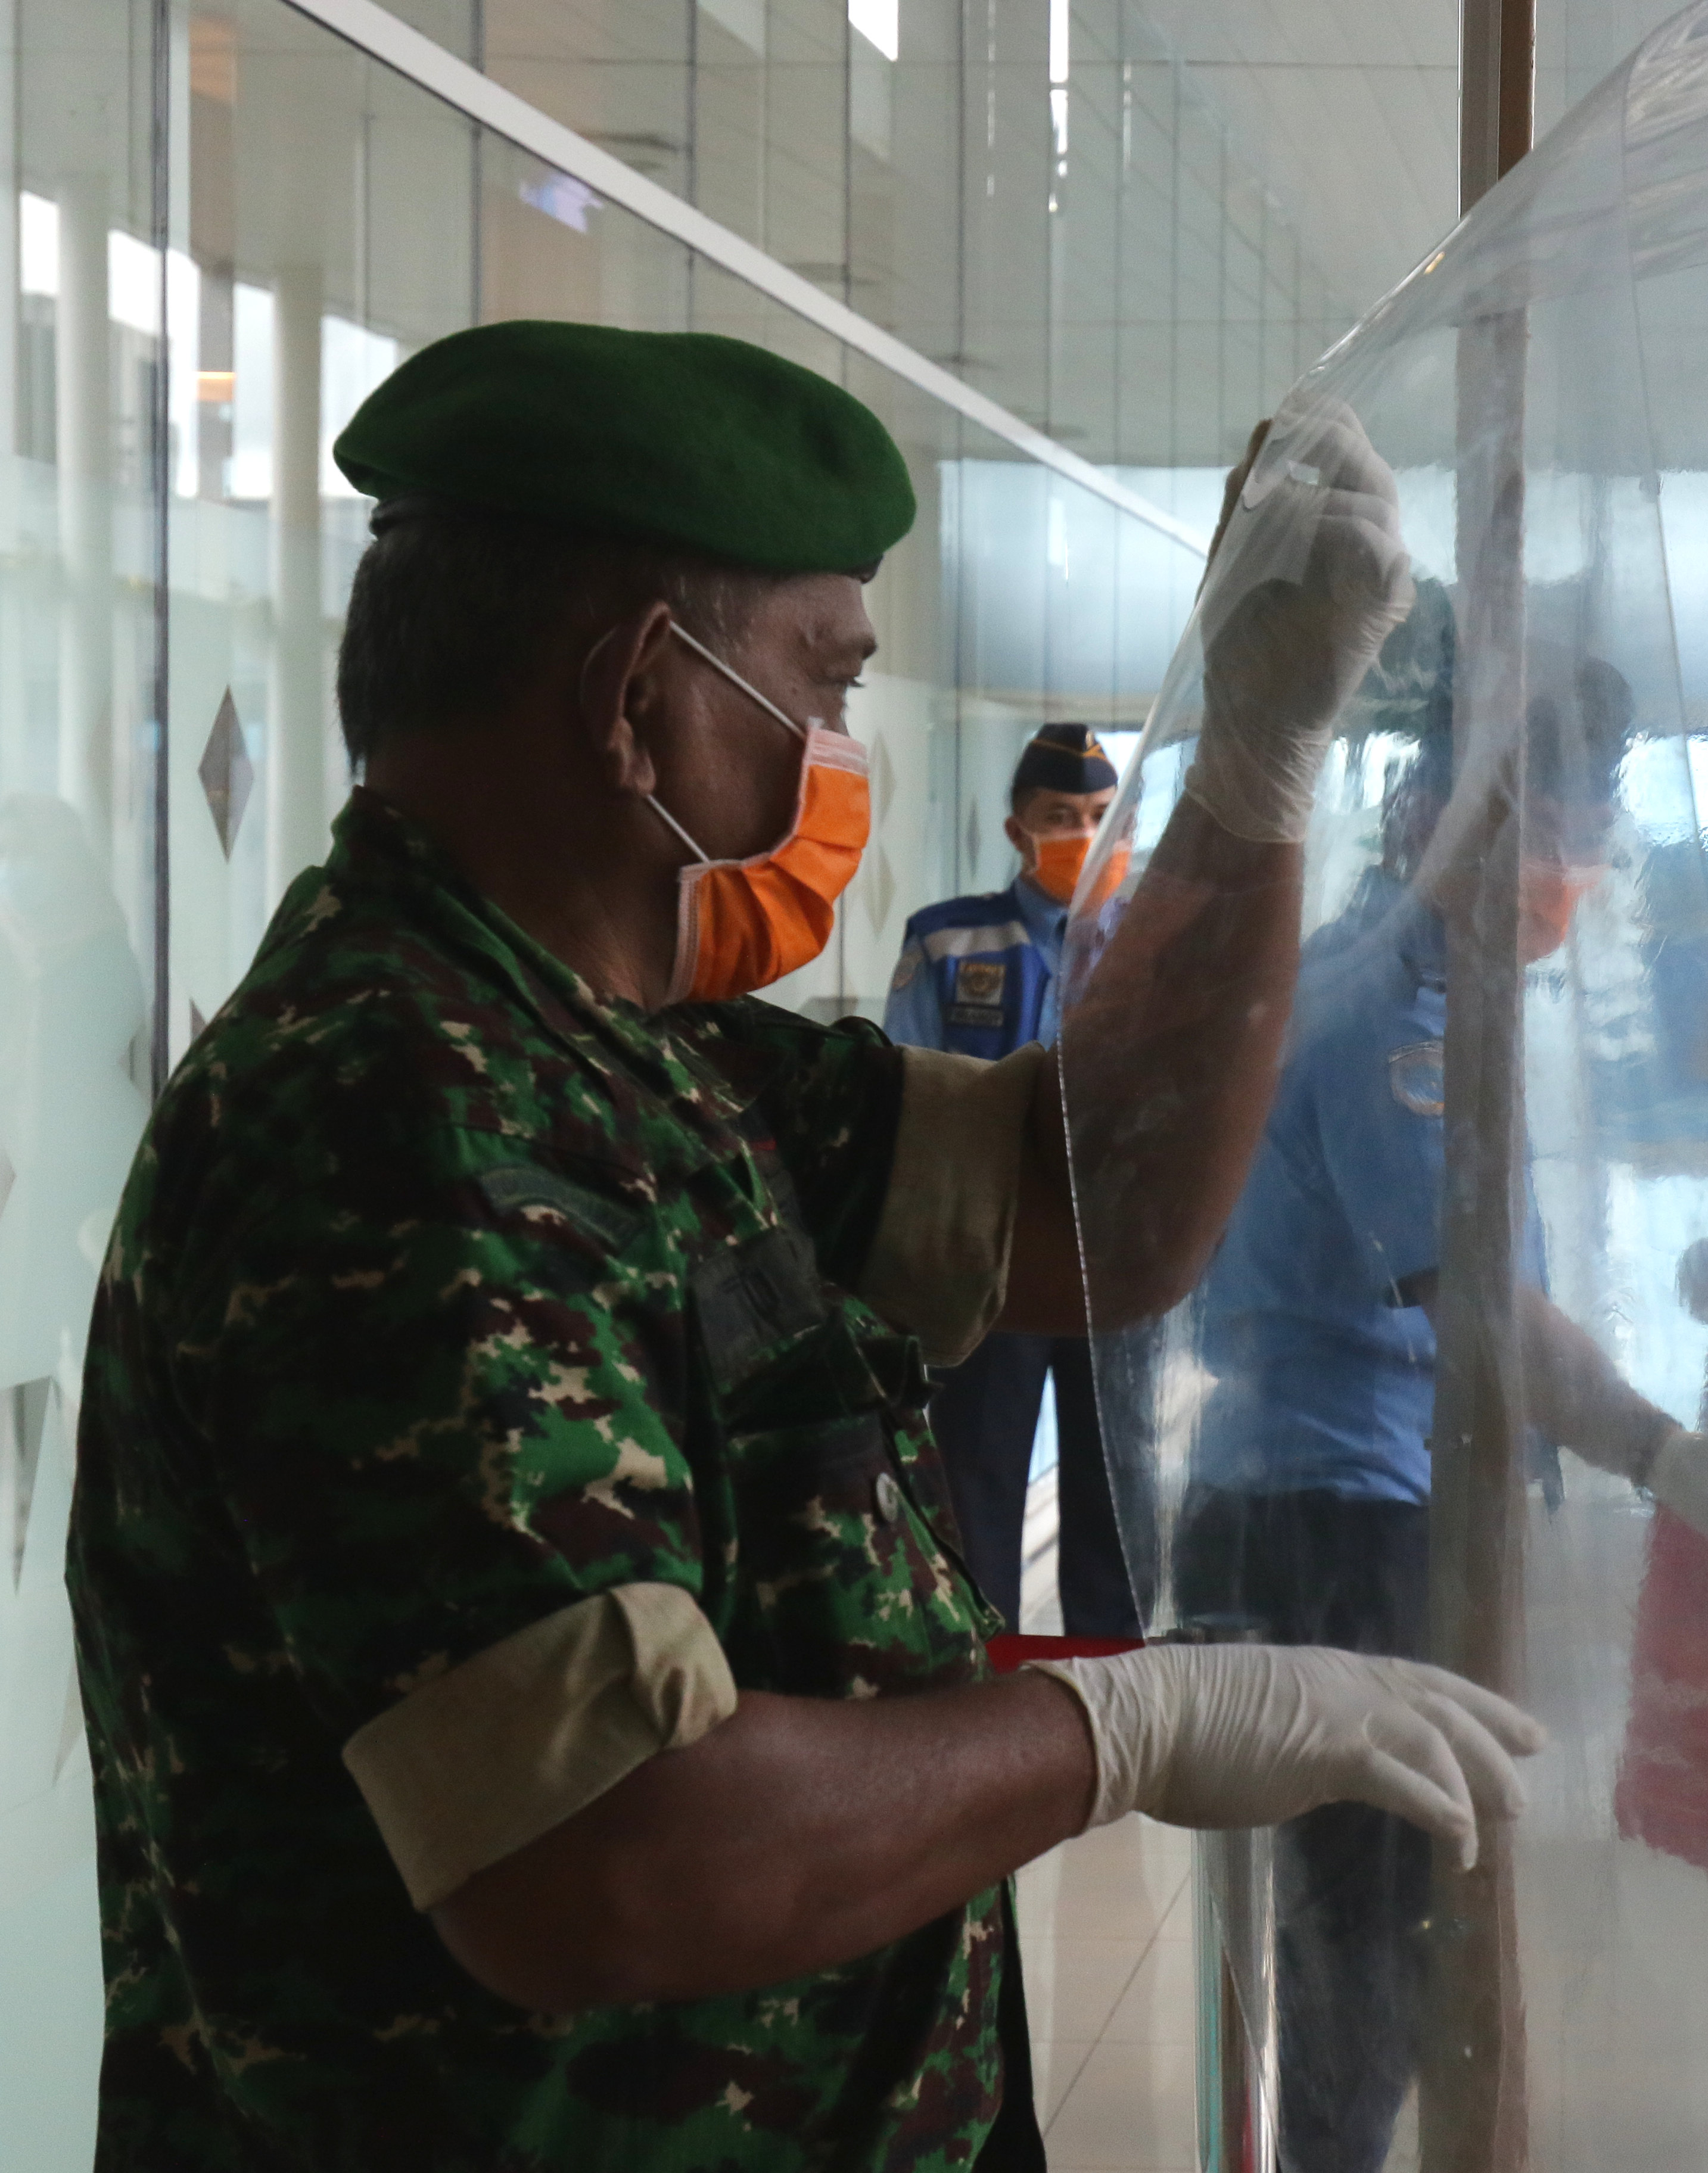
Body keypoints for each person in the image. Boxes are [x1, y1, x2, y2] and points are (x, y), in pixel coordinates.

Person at [65, 322, 1544, 2169]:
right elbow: (603, 1856)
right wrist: (1124, 1729)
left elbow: (1096, 1206)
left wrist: (1255, 766)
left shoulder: (639, 1060)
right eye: (821, 684)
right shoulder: (395, 1120)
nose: (841, 752)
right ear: (635, 695)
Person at [1172, 674, 1708, 2173]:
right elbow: (1476, 1298)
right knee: (1369, 1918)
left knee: (1393, 1908)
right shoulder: (1386, 1021)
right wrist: (1661, 1451)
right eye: (1548, 833)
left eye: (1591, 835)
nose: (1573, 874)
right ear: (1429, 821)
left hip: (1345, 1495)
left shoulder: (1428, 987)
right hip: (1330, 1517)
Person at [886, 723, 1150, 1636]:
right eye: (1060, 817)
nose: (1084, 833)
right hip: (989, 1260)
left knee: (1116, 1501)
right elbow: (905, 1091)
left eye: (1100, 816)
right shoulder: (950, 939)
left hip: (1116, 1260)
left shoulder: (1156, 946)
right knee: (977, 1487)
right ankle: (978, 1693)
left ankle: (1115, 1716)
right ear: (1016, 831)